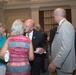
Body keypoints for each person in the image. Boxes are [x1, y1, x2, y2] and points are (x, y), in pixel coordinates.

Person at [48, 8, 76, 75]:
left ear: (56, 15)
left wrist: (55, 63)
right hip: (62, 65)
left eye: (54, 16)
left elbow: (66, 47)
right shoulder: (63, 25)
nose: (54, 18)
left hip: (64, 65)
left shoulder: (66, 25)